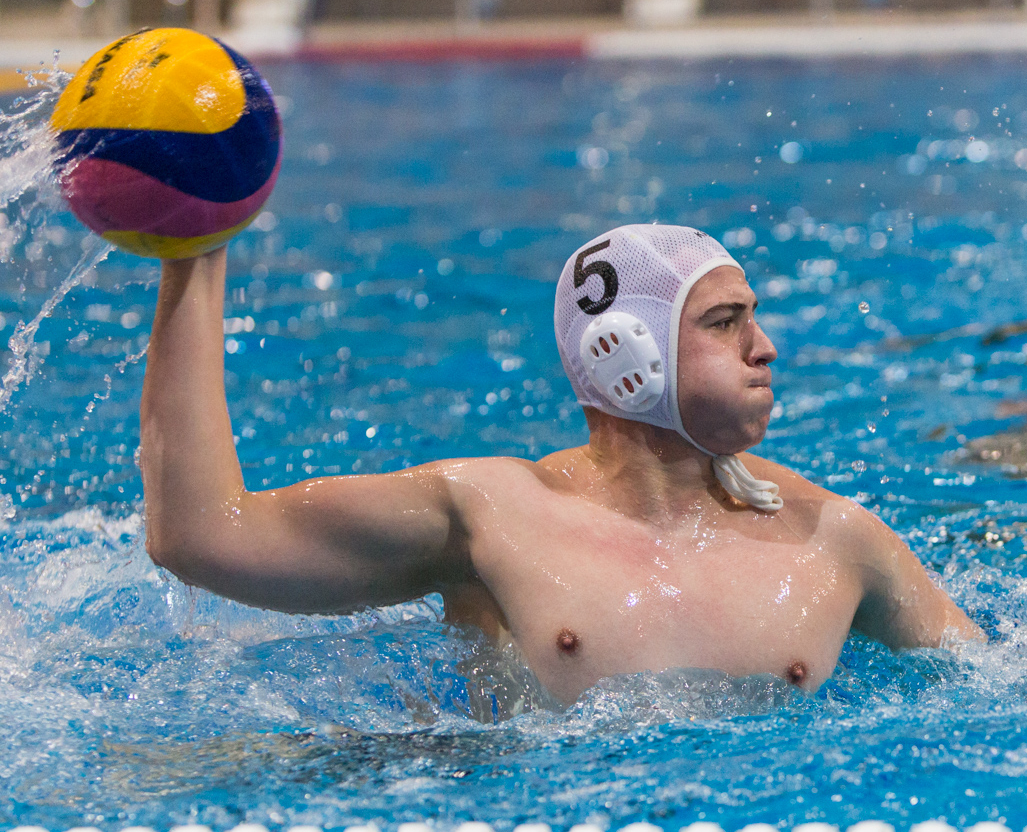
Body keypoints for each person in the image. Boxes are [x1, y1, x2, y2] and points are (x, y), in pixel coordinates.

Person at [139, 224, 983, 706]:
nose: (766, 347)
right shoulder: (488, 513)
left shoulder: (836, 540)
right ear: (626, 351)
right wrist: (198, 251)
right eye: (726, 321)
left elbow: (1000, 691)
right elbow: (203, 534)